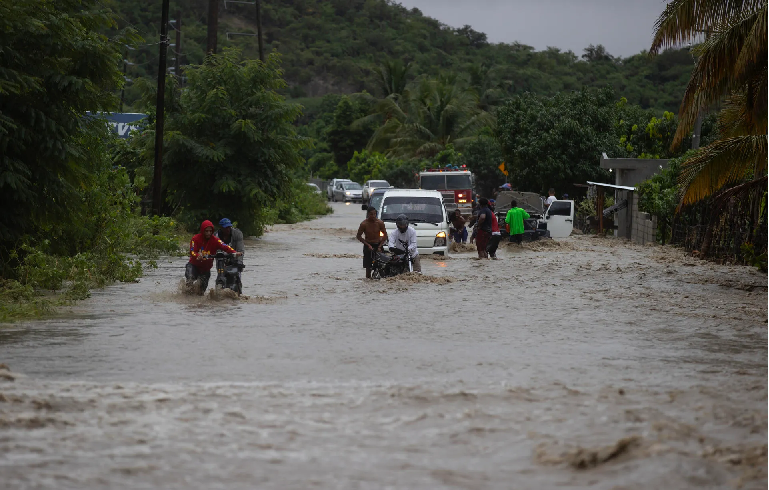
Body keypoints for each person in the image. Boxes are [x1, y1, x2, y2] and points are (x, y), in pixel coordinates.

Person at [187, 220, 242, 294]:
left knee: (201, 293)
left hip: (206, 269)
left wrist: (235, 252)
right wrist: (197, 256)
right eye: (206, 231)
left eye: (210, 231)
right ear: (203, 231)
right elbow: (192, 251)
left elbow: (225, 246)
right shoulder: (195, 239)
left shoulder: (215, 240)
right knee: (190, 280)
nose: (208, 233)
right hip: (194, 266)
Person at [356, 206, 387, 279]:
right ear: (368, 214)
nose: (373, 216)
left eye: (374, 214)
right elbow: (358, 236)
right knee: (368, 267)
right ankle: (368, 282)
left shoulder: (380, 223)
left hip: (378, 245)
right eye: (371, 214)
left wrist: (380, 246)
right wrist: (367, 245)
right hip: (368, 245)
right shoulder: (364, 224)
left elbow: (385, 235)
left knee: (382, 265)